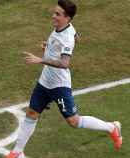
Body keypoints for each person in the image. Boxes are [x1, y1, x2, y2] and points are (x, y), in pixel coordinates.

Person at [7, 0, 122, 157]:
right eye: (54, 12)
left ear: (67, 18)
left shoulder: (66, 37)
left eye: (57, 14)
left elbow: (64, 63)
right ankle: (17, 152)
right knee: (32, 112)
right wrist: (50, 46)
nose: (53, 16)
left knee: (73, 121)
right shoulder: (65, 28)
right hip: (45, 80)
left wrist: (41, 59)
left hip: (59, 85)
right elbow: (77, 36)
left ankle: (112, 128)